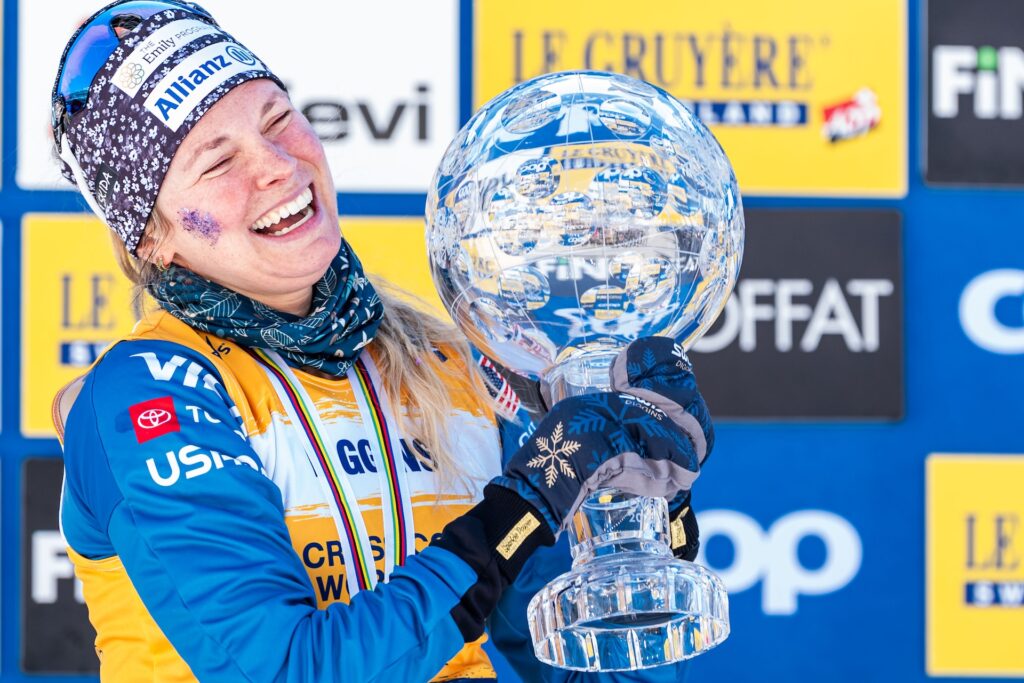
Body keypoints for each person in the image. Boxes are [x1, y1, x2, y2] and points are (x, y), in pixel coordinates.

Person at [51, 2, 714, 681]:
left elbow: (598, 670)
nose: (278, 165)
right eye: (218, 161)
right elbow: (287, 669)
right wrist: (526, 503)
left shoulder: (442, 363)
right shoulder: (148, 391)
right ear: (153, 235)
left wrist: (644, 519)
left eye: (279, 118)